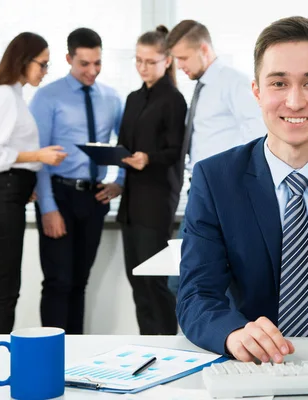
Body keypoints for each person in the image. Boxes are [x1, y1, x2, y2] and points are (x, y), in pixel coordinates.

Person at [177, 16, 308, 362]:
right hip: (255, 364)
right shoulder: (216, 180)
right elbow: (196, 296)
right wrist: (232, 332)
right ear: (257, 92)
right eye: (279, 84)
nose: (294, 102)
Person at [30, 28, 124, 334]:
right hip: (59, 195)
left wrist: (119, 180)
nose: (92, 71)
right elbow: (39, 157)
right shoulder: (47, 96)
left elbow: (125, 144)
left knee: (80, 281)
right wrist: (48, 208)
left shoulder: (111, 97)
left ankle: (73, 355)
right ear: (69, 58)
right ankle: (51, 354)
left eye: (97, 63)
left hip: (93, 198)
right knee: (59, 281)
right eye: (84, 63)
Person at [0, 32, 67, 334]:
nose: (45, 71)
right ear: (24, 61)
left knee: (3, 277)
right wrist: (38, 155)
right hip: (2, 193)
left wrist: (26, 181)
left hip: (10, 191)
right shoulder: (3, 94)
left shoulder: (14, 95)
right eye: (43, 64)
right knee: (7, 281)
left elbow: (9, 154)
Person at [166, 19, 266, 294]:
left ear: (204, 49)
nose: (180, 65)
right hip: (201, 189)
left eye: (184, 57)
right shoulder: (202, 88)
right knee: (186, 279)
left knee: (194, 280)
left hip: (226, 191)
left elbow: (257, 132)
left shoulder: (232, 82)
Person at [116, 26, 187, 335]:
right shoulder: (133, 99)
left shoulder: (173, 99)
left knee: (154, 282)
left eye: (150, 61)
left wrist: (148, 158)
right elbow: (124, 144)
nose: (143, 67)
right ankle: (148, 344)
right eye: (138, 60)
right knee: (136, 280)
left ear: (167, 60)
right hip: (131, 200)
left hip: (156, 200)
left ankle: (167, 345)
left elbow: (175, 151)